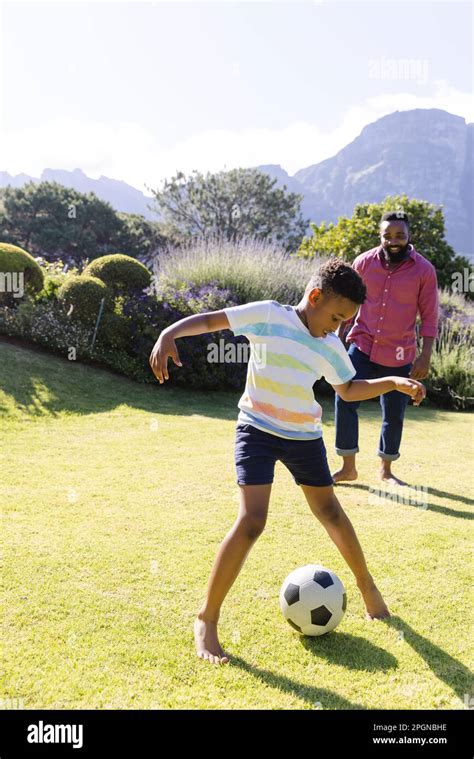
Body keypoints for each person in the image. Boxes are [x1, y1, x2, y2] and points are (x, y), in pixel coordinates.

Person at [149, 258, 426, 665]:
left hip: (303, 438)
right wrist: (169, 332)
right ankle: (206, 619)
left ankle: (367, 588)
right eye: (335, 317)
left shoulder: (329, 345)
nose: (339, 328)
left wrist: (393, 381)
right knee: (252, 521)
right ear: (314, 297)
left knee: (331, 511)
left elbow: (347, 389)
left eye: (346, 321)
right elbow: (211, 322)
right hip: (256, 431)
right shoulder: (266, 316)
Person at [332, 212, 439, 487]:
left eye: (399, 235)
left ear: (408, 237)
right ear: (380, 236)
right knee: (345, 399)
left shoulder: (424, 270)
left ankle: (386, 470)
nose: (393, 241)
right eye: (387, 236)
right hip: (363, 344)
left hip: (400, 352)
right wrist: (335, 339)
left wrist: (425, 356)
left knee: (393, 413)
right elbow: (348, 303)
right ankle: (348, 467)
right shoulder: (363, 263)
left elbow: (429, 317)